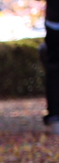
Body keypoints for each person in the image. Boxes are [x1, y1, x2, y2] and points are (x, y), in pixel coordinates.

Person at [45, 0, 59, 134]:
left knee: (54, 70)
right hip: (54, 22)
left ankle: (54, 115)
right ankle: (54, 115)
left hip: (53, 22)